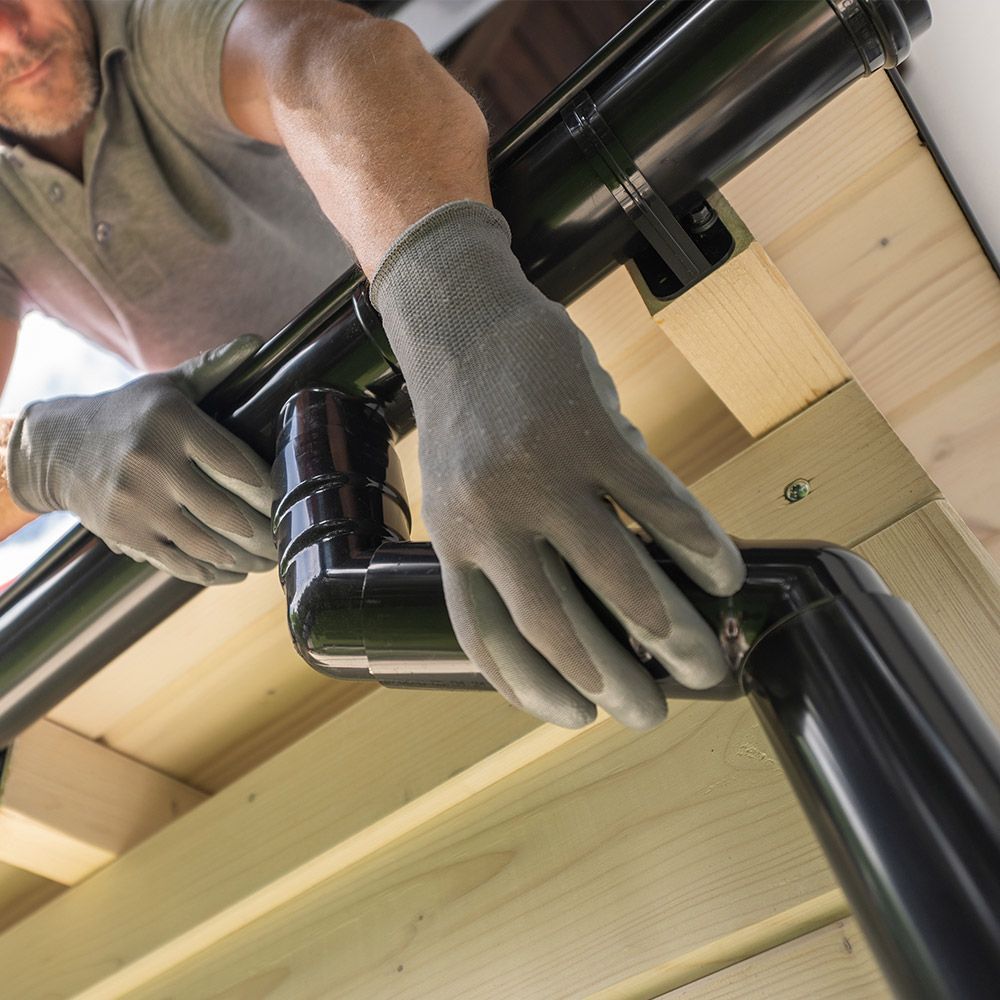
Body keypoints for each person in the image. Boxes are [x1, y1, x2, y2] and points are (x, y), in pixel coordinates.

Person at [0, 0, 746, 732]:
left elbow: (318, 60)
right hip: (298, 480)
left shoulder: (151, 18)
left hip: (494, 362)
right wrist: (36, 455)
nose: (11, 34)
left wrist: (451, 307)